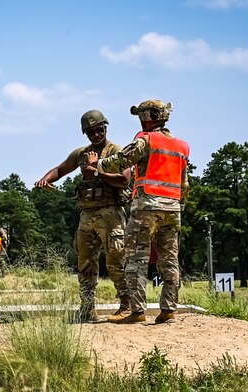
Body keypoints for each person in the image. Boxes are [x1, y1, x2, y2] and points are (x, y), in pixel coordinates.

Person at [85, 99, 189, 325]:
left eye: (142, 116)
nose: (141, 121)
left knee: (135, 259)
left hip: (146, 207)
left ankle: (137, 310)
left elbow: (123, 159)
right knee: (169, 259)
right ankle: (169, 309)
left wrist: (98, 166)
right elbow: (185, 185)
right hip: (172, 208)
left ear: (150, 117)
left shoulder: (145, 139)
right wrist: (179, 206)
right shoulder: (182, 146)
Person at [34, 109, 130, 322]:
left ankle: (126, 304)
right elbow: (61, 169)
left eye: (99, 130)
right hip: (87, 214)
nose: (96, 134)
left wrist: (97, 171)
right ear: (85, 133)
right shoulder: (81, 154)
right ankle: (87, 309)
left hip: (111, 213)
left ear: (105, 127)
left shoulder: (116, 151)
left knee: (116, 260)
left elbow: (125, 180)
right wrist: (46, 179)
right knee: (85, 262)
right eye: (91, 132)